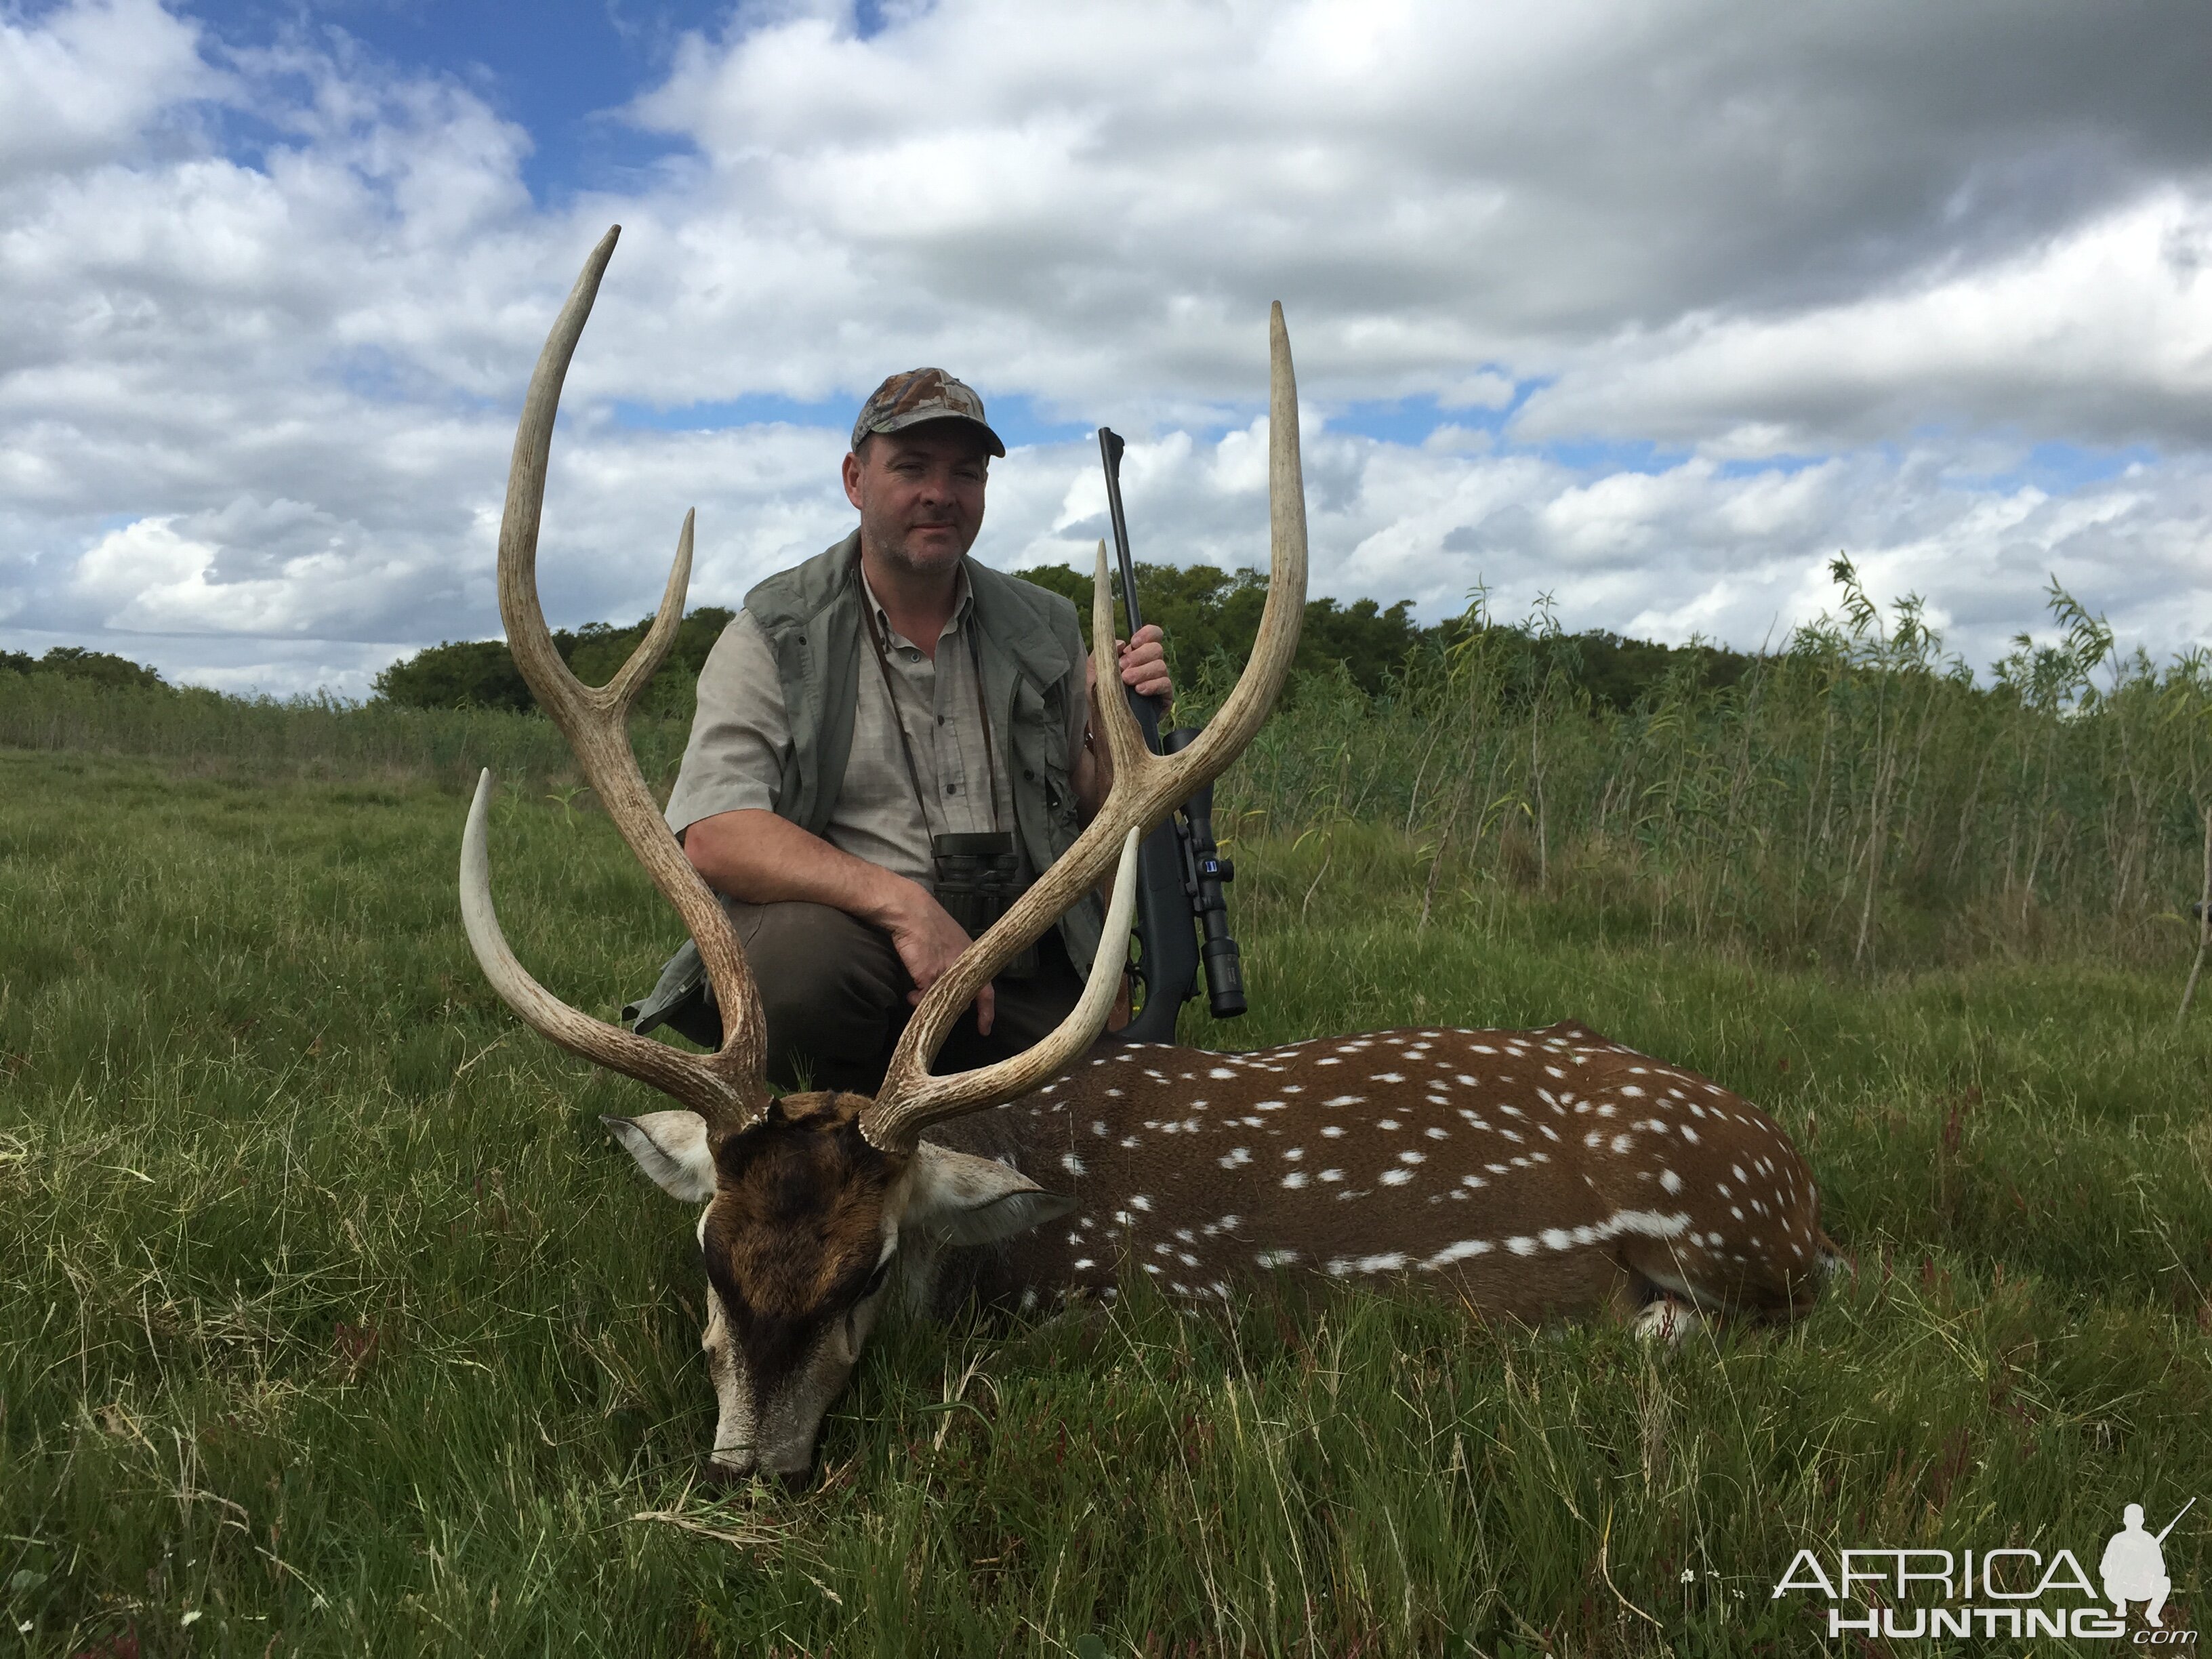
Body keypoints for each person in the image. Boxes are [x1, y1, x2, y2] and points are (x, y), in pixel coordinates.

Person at [625, 368, 1172, 1094]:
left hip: (1018, 962)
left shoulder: (1046, 627)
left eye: (964, 473)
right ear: (856, 479)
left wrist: (1120, 732)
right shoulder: (777, 631)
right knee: (796, 967)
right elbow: (717, 831)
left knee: (1115, 1123)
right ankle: (839, 1125)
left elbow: (1088, 805)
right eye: (911, 468)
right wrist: (905, 907)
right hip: (862, 962)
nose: (939, 493)